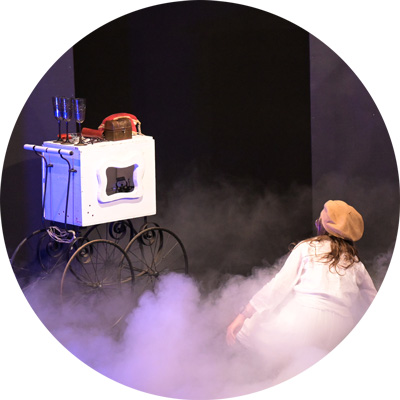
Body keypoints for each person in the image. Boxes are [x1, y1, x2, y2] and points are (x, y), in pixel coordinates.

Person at [226, 200, 377, 378]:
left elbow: (278, 286)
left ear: (323, 225)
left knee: (252, 328)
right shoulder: (355, 263)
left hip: (305, 321)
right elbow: (372, 299)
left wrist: (243, 315)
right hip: (341, 327)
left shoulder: (307, 248)